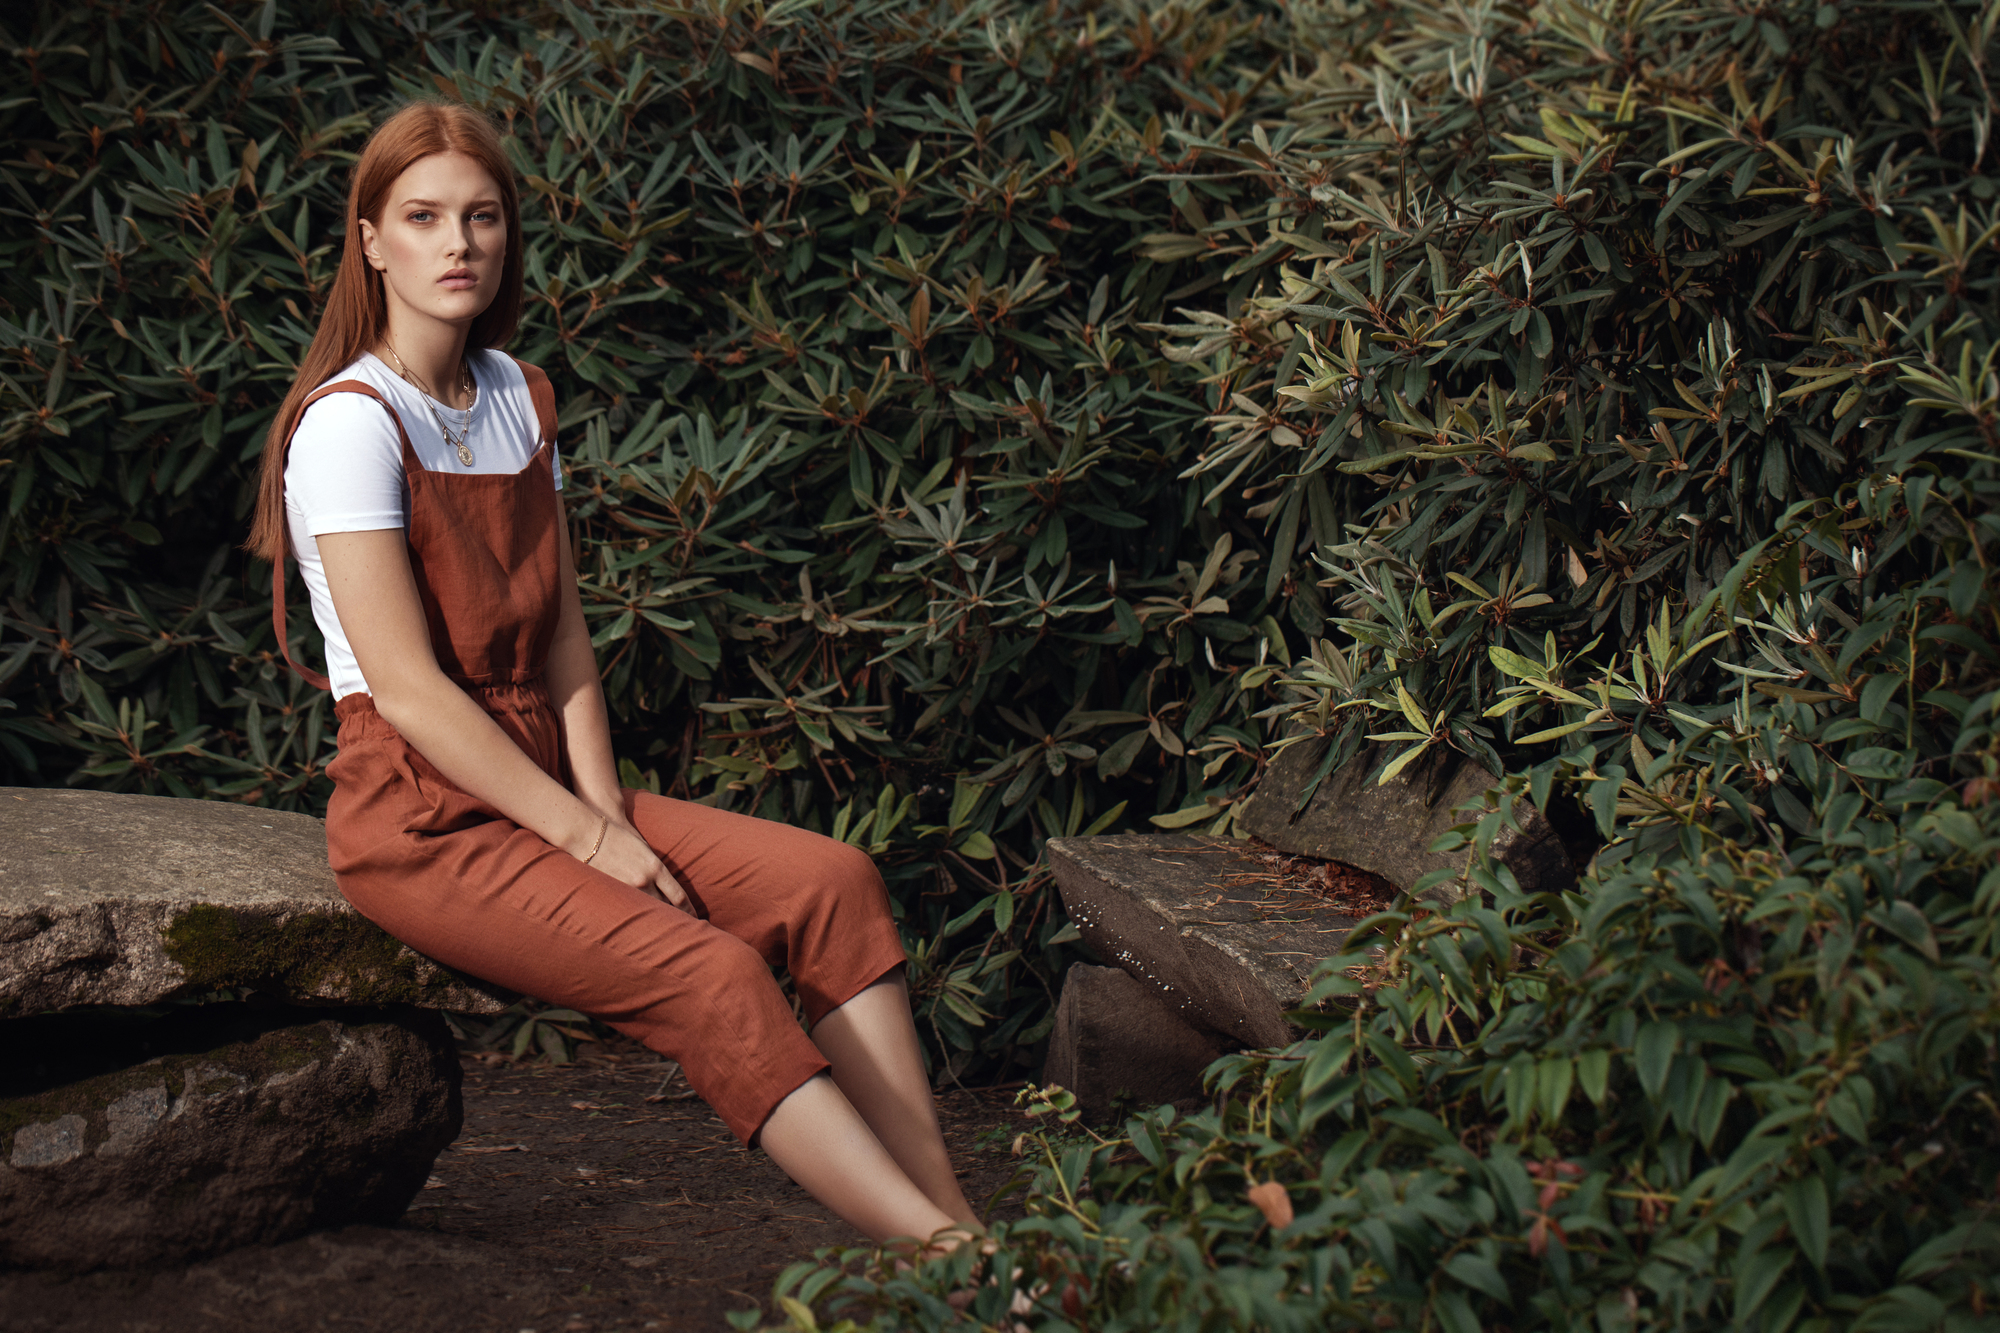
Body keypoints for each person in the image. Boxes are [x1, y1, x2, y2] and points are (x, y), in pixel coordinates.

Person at [246, 101, 977, 1250]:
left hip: (541, 774)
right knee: (714, 973)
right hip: (423, 812)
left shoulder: (512, 395)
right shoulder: (350, 425)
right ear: (371, 240)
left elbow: (564, 635)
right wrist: (589, 846)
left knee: (831, 880)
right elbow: (412, 690)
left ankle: (956, 1213)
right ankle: (957, 1267)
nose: (458, 245)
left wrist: (602, 804)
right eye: (424, 217)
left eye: (481, 217)